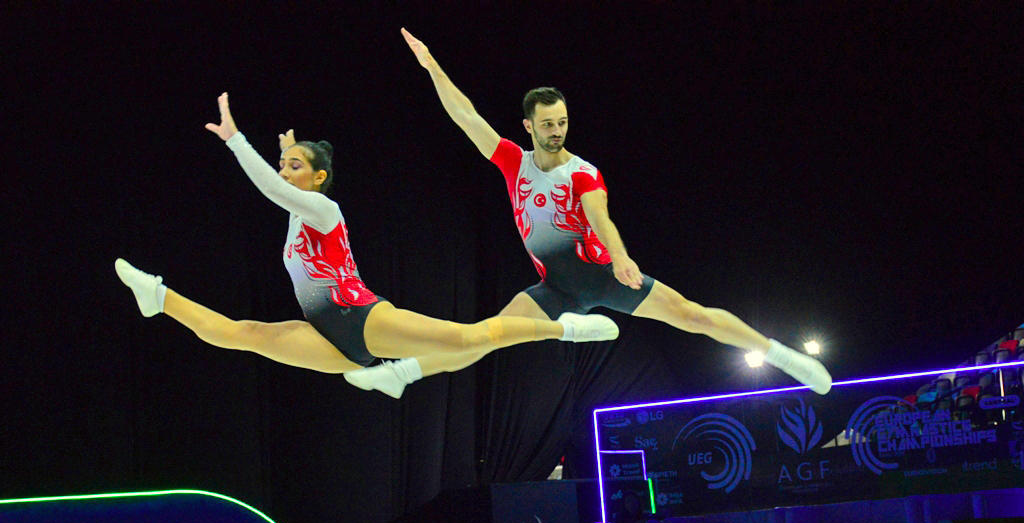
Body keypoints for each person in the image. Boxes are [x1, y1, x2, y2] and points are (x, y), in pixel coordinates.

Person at [343, 29, 832, 399]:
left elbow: (601, 219)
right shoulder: (513, 161)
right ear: (528, 125)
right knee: (483, 337)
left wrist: (621, 258)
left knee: (692, 316)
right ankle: (402, 373)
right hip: (554, 288)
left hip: (603, 275)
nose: (557, 130)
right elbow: (466, 114)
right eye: (548, 124)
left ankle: (779, 353)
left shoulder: (582, 173)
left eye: (563, 122)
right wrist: (432, 67)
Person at [114, 93, 620, 376]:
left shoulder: (322, 209)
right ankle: (157, 297)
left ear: (317, 180)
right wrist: (292, 149)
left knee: (468, 338)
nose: (283, 170)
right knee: (244, 336)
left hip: (361, 318)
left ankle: (568, 328)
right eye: (283, 164)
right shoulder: (300, 205)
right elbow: (283, 179)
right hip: (329, 338)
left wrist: (236, 140)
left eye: (294, 166)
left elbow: (274, 186)